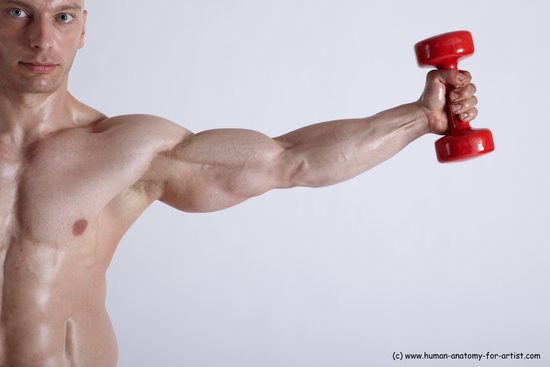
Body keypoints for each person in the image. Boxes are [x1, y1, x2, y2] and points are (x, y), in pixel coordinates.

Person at [0, 1, 479, 366]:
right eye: (18, 12)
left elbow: (290, 160)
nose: (42, 39)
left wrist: (420, 118)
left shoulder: (124, 150)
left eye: (62, 16)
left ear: (83, 29)